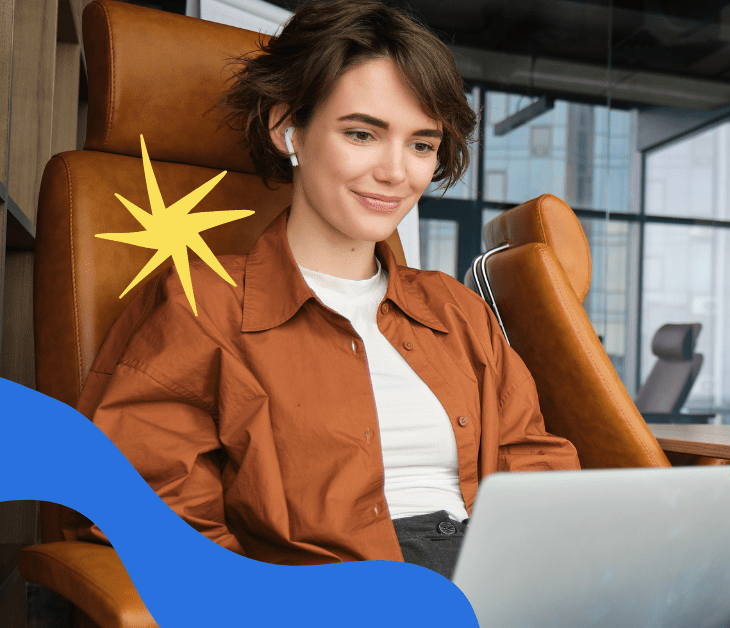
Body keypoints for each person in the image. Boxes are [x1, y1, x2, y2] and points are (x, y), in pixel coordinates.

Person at [73, 0, 579, 579]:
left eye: (421, 144)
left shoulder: (457, 310)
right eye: (362, 134)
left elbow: (533, 465)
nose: (396, 172)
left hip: (496, 572)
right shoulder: (205, 304)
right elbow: (154, 508)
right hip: (340, 593)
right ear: (288, 128)